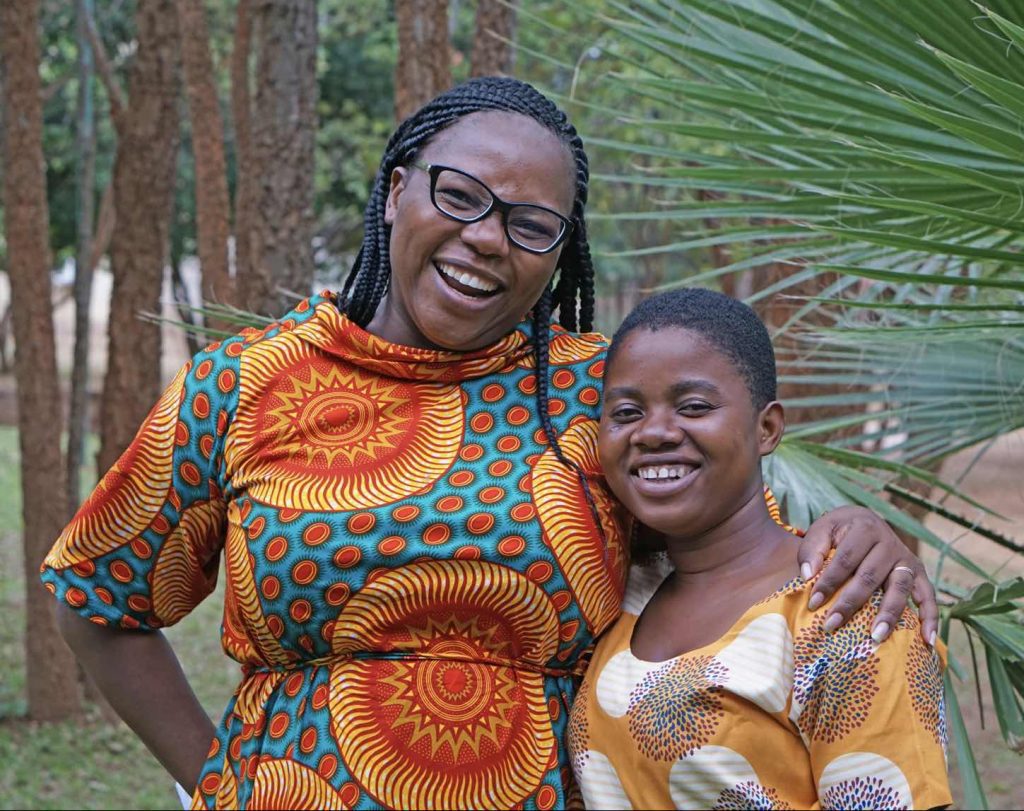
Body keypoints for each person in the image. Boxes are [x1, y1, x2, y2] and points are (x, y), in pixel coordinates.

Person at [41, 77, 937, 811]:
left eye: (530, 224)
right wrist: (216, 781)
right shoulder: (245, 384)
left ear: (558, 254)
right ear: (397, 190)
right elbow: (97, 595)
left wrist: (860, 534)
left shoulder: (602, 396)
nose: (484, 238)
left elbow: (748, 555)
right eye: (459, 196)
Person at [569, 288, 951, 810]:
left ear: (767, 427)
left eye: (694, 406)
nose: (653, 432)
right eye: (627, 411)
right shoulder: (619, 586)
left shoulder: (851, 614)